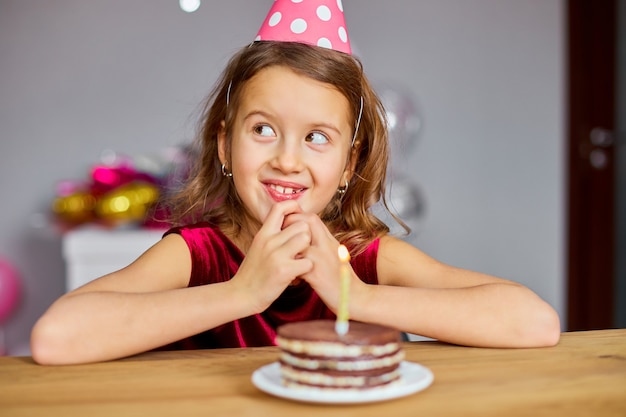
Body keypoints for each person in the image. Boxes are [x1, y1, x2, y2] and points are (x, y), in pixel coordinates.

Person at [30, 0, 560, 365]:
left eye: (317, 138)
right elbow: (57, 337)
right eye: (263, 129)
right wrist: (244, 292)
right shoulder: (198, 255)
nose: (287, 159)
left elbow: (532, 323)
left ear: (349, 165)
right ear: (223, 145)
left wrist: (353, 295)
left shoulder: (364, 258)